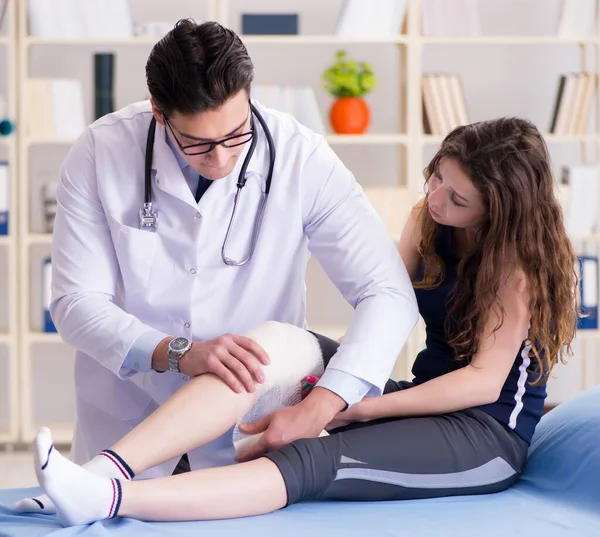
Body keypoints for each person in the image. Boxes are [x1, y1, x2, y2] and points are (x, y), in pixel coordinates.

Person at [26, 116, 579, 526]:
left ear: (498, 210)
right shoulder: (427, 219)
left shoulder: (516, 266)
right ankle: (104, 471)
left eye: (457, 197)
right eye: (436, 176)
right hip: (418, 397)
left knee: (310, 455)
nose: (435, 198)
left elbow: (483, 382)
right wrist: (329, 390)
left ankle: (112, 502)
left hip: (482, 434)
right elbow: (385, 299)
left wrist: (355, 406)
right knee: (268, 350)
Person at [21, 15, 418, 509]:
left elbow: (388, 293)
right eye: (199, 144)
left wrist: (323, 403)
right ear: (159, 114)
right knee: (109, 510)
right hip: (130, 411)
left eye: (236, 134)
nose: (222, 159)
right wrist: (178, 350)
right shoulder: (102, 152)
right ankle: (99, 479)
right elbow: (75, 302)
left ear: (249, 96)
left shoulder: (300, 157)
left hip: (253, 421)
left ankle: (98, 482)